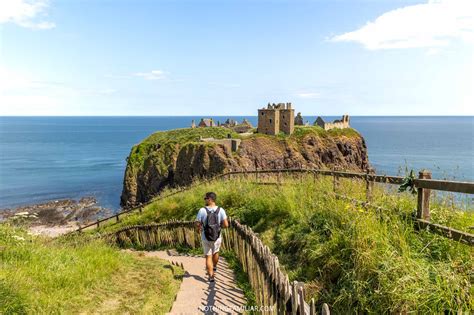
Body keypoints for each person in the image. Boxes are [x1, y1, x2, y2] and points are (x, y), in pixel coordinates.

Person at [195, 192, 228, 283]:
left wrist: (199, 230)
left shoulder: (202, 210)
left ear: (210, 199)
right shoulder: (221, 210)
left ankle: (211, 276)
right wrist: (219, 227)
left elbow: (198, 223)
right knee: (216, 252)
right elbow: (226, 224)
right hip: (217, 236)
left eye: (205, 199)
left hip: (205, 236)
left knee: (208, 257)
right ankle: (214, 267)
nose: (205, 200)